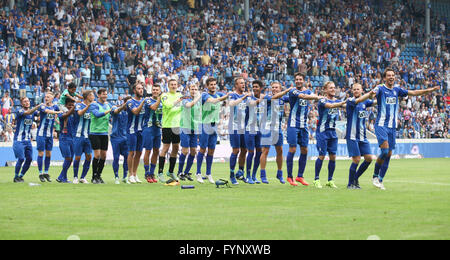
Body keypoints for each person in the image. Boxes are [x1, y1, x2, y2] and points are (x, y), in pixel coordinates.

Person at [372, 68, 440, 190]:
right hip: (381, 125)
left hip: (392, 127)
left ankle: (380, 180)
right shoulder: (380, 88)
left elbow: (413, 93)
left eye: (393, 75)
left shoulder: (397, 90)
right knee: (384, 151)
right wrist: (372, 93)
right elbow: (373, 92)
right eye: (389, 75)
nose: (391, 77)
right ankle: (375, 176)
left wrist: (429, 90)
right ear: (384, 77)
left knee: (389, 154)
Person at [286, 72, 322, 186]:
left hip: (304, 126)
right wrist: (317, 96)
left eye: (300, 79)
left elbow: (310, 96)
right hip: (293, 125)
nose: (298, 81)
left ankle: (300, 176)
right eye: (296, 79)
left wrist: (317, 97)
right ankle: (289, 176)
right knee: (292, 149)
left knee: (305, 150)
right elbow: (304, 97)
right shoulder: (293, 91)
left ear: (304, 80)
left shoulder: (308, 91)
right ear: (294, 81)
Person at [314, 81, 346, 189]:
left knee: (333, 156)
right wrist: (343, 102)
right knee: (322, 155)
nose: (333, 89)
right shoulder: (322, 100)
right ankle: (316, 179)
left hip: (333, 132)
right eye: (330, 88)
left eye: (334, 87)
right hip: (323, 132)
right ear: (325, 90)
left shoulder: (337, 101)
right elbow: (331, 105)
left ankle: (330, 180)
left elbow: (347, 105)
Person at [196, 77, 229, 183]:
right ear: (207, 86)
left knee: (211, 150)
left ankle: (208, 173)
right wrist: (226, 96)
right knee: (202, 149)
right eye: (211, 84)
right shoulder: (205, 95)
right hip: (204, 124)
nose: (213, 86)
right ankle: (198, 173)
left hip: (214, 126)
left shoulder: (218, 94)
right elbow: (213, 101)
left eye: (214, 84)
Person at [259, 82, 292, 184]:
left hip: (278, 128)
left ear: (280, 88)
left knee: (280, 150)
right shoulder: (267, 97)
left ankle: (279, 173)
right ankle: (263, 174)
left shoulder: (283, 99)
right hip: (267, 127)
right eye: (272, 87)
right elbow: (276, 97)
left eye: (276, 87)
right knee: (265, 151)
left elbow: (294, 98)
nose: (274, 89)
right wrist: (287, 90)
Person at [345, 83, 377, 189]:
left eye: (358, 89)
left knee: (368, 158)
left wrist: (384, 98)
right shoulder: (350, 101)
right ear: (352, 91)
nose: (356, 91)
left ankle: (355, 178)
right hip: (352, 136)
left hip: (362, 136)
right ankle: (350, 184)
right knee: (357, 159)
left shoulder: (365, 102)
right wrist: (370, 94)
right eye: (354, 89)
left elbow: (374, 102)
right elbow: (358, 100)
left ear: (361, 90)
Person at [158, 79, 183, 184]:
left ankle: (170, 171)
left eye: (175, 84)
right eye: (171, 84)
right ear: (168, 86)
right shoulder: (164, 95)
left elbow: (181, 108)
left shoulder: (179, 94)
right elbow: (168, 106)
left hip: (176, 126)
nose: (173, 86)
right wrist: (178, 101)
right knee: (166, 147)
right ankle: (160, 172)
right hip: (167, 125)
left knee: (176, 148)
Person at [228, 77, 251, 185]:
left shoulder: (247, 97)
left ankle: (240, 172)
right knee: (235, 150)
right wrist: (244, 97)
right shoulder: (233, 95)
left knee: (244, 150)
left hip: (244, 128)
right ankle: (232, 175)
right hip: (234, 127)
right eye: (241, 83)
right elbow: (232, 104)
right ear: (236, 85)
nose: (243, 85)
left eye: (244, 83)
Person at [243, 80, 266, 184]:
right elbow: (252, 104)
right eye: (253, 86)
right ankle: (247, 175)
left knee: (259, 152)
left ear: (261, 88)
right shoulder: (248, 98)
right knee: (251, 152)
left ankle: (254, 175)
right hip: (249, 129)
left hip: (260, 130)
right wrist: (261, 99)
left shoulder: (264, 99)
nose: (255, 88)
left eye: (257, 86)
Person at [13, 98, 40, 183]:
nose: (27, 102)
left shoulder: (33, 112)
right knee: (21, 159)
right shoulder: (19, 111)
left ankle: (21, 176)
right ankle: (16, 176)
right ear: (21, 103)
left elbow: (39, 114)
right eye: (25, 101)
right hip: (19, 140)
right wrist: (38, 106)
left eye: (28, 101)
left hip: (28, 140)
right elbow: (28, 112)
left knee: (29, 159)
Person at [178, 83, 202, 182]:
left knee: (193, 151)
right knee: (185, 151)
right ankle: (180, 172)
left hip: (194, 128)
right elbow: (188, 106)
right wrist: (198, 98)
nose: (194, 91)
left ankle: (186, 172)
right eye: (192, 89)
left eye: (195, 89)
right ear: (189, 90)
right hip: (185, 127)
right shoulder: (185, 99)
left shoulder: (199, 101)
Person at [89, 88, 113, 184]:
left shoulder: (108, 105)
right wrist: (109, 111)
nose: (105, 96)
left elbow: (113, 113)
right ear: (98, 95)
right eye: (103, 94)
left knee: (103, 155)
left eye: (106, 94)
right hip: (95, 133)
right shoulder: (94, 105)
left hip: (104, 133)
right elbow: (97, 115)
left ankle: (99, 175)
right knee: (97, 155)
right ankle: (94, 176)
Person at [36, 92, 62, 182]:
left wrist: (61, 122)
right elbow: (47, 111)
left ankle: (46, 172)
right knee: (41, 154)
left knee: (48, 154)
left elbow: (60, 116)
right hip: (41, 134)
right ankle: (40, 173)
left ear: (52, 98)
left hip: (50, 135)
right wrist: (58, 112)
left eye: (48, 97)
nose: (46, 98)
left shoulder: (55, 106)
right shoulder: (42, 106)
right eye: (45, 97)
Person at [126, 83, 147, 184]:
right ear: (134, 91)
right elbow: (135, 112)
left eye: (142, 88)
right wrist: (143, 103)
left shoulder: (145, 102)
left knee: (139, 153)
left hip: (141, 131)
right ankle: (130, 175)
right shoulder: (130, 102)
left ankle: (135, 174)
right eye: (139, 88)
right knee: (132, 152)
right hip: (131, 131)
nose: (141, 90)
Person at [72, 90, 94, 184]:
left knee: (89, 156)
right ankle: (75, 177)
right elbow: (79, 113)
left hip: (88, 137)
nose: (93, 97)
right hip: (78, 136)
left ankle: (83, 177)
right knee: (77, 157)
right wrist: (89, 106)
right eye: (92, 95)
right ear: (87, 96)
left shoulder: (93, 107)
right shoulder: (79, 105)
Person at [142, 85, 163, 183]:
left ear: (160, 91)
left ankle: (152, 172)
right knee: (148, 151)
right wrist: (160, 99)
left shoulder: (163, 102)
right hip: (148, 129)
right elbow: (154, 108)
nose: (155, 91)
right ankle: (147, 173)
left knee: (156, 151)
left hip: (157, 129)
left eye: (157, 90)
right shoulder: (148, 100)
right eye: (153, 90)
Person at [111, 96, 131, 184]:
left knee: (127, 157)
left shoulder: (131, 112)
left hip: (126, 138)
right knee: (116, 158)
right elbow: (115, 111)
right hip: (115, 138)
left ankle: (125, 176)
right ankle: (116, 177)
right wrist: (124, 106)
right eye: (128, 103)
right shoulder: (116, 108)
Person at [56, 99, 76, 183]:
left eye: (72, 105)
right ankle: (62, 177)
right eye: (69, 105)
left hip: (73, 138)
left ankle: (62, 177)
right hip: (64, 138)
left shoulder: (75, 114)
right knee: (68, 158)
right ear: (65, 106)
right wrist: (74, 107)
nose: (71, 107)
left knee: (70, 159)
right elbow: (66, 114)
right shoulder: (61, 112)